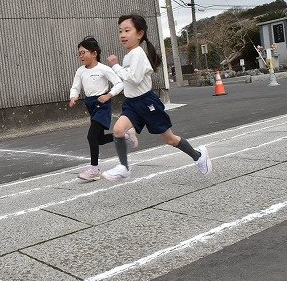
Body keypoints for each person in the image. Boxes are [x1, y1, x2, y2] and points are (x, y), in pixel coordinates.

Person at [101, 14, 211, 180]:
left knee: (170, 139)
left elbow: (134, 79)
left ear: (140, 34)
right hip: (132, 103)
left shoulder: (138, 54)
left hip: (147, 102)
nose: (122, 34)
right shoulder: (129, 56)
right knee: (117, 130)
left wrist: (115, 66)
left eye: (127, 30)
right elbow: (129, 81)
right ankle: (124, 167)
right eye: (120, 31)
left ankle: (198, 156)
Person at [69, 36, 125, 181]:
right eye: (79, 53)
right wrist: (73, 96)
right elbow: (75, 87)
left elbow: (119, 83)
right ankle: (123, 136)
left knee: (91, 136)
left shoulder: (103, 69)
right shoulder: (80, 71)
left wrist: (109, 95)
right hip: (91, 105)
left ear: (94, 53)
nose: (81, 56)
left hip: (102, 105)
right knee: (99, 139)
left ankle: (94, 169)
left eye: (84, 52)